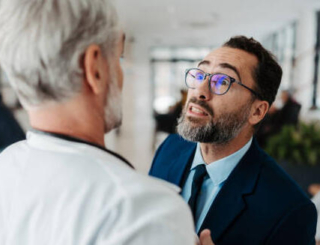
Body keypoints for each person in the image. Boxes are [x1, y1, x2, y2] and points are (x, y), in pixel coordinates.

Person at [0, 0, 216, 244]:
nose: (121, 73)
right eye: (118, 58)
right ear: (94, 68)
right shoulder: (144, 211)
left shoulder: (6, 164)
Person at [150, 36, 317, 244]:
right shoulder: (170, 148)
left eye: (222, 81)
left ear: (257, 111)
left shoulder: (289, 209)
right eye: (200, 75)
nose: (199, 91)